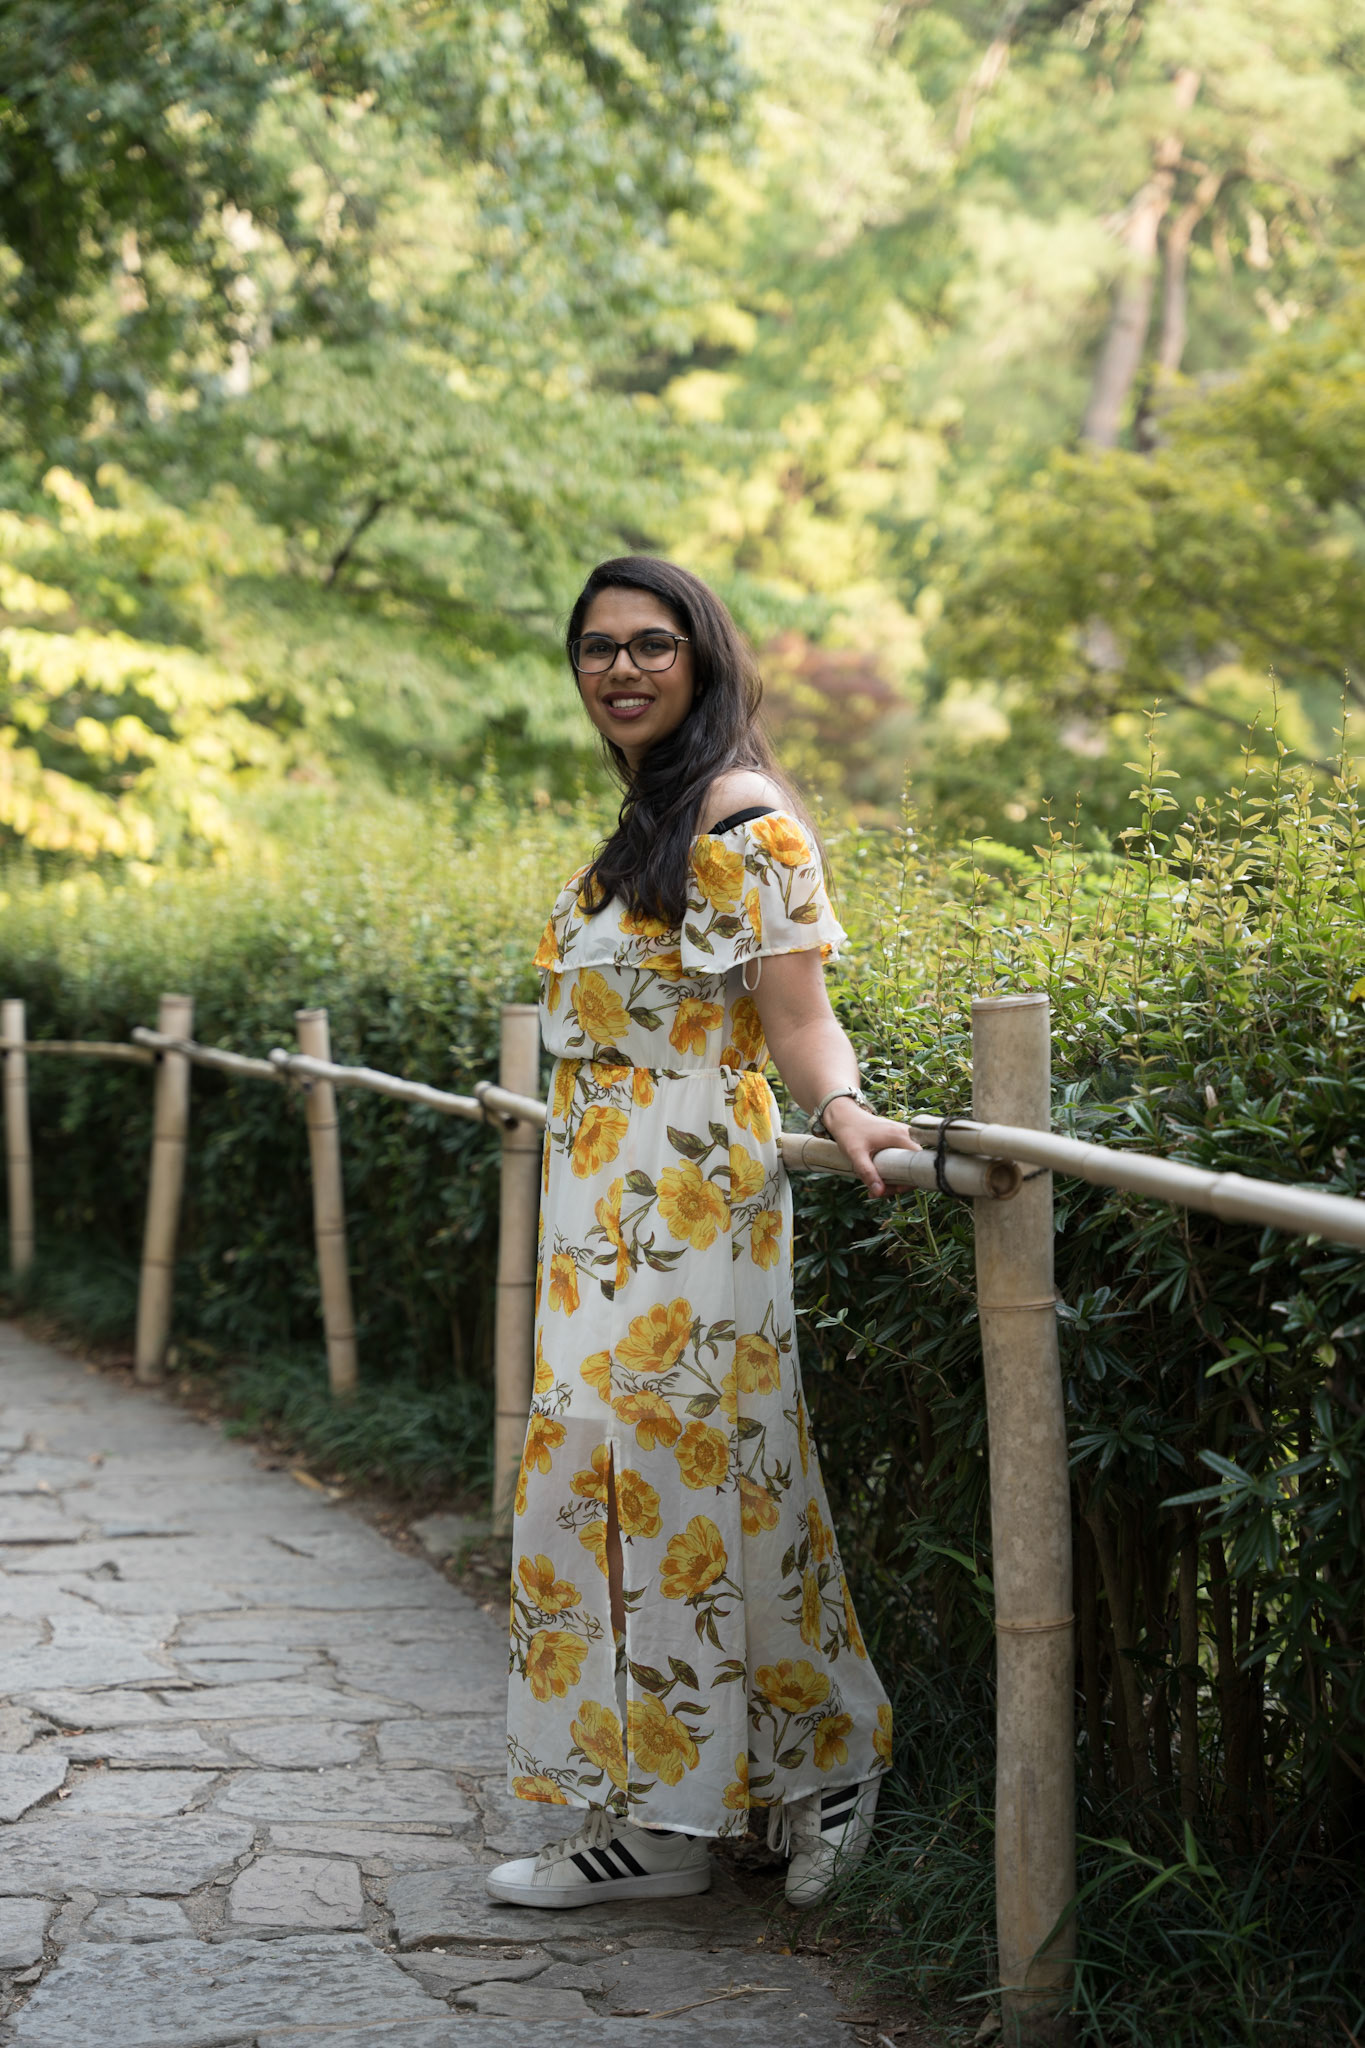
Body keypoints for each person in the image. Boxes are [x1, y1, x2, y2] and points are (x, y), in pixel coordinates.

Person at [487, 556, 920, 1913]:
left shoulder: (745, 820)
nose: (619, 669)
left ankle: (830, 1760)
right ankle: (663, 1816)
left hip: (688, 1209)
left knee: (713, 1483)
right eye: (597, 647)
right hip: (596, 1216)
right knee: (604, 1498)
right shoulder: (643, 827)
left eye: (650, 644)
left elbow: (797, 1016)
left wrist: (844, 1110)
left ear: (702, 659)